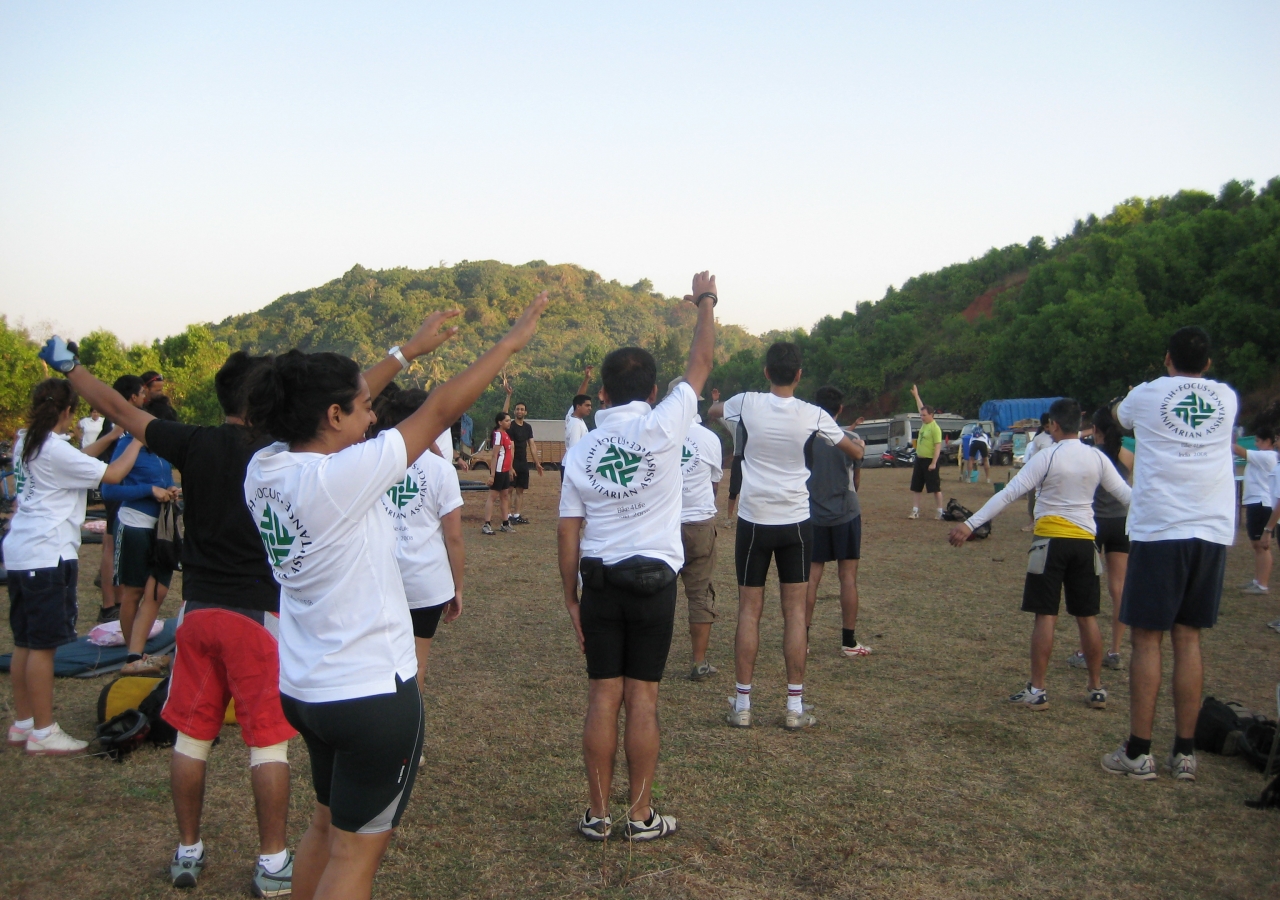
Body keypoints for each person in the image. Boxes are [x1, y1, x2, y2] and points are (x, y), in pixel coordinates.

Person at [244, 297, 546, 900]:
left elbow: (336, 408)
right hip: (369, 696)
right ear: (333, 415)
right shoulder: (340, 480)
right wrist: (510, 344)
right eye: (360, 408)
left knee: (326, 825)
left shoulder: (267, 467)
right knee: (355, 857)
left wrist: (404, 353)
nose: (371, 416)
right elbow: (438, 411)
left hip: (306, 689)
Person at [58, 347, 297, 895]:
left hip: (197, 614)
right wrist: (403, 357)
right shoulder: (280, 452)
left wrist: (71, 369)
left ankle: (188, 851)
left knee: (192, 738)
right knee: (267, 746)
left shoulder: (192, 441)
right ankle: (273, 861)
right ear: (267, 400)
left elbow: (118, 408)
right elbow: (350, 405)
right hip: (257, 617)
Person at [558, 272, 716, 843]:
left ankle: (598, 816)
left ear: (601, 394)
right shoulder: (666, 425)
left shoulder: (584, 448)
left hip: (599, 581)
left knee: (604, 694)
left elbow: (567, 530)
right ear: (652, 392)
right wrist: (706, 300)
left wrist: (571, 598)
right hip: (655, 583)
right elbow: (701, 359)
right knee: (643, 696)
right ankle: (641, 816)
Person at [1101, 327, 1237, 782]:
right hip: (1212, 527)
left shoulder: (1147, 394)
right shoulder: (1226, 398)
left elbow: (1118, 417)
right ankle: (1185, 752)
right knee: (1188, 638)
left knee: (1146, 638)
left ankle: (1139, 751)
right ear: (1209, 364)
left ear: (1167, 358)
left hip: (1162, 528)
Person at [709, 343, 864, 731]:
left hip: (754, 520)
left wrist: (726, 410)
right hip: (796, 521)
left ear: (766, 372)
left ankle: (743, 703)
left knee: (749, 610)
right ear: (799, 375)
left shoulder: (746, 402)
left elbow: (713, 410)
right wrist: (851, 439)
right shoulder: (813, 414)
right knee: (794, 612)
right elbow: (854, 451)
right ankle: (794, 707)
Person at [949, 398, 1130, 713]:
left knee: (1046, 615)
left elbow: (1009, 493)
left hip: (1049, 542)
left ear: (1054, 426)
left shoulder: (1048, 456)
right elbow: (1128, 497)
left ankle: (1038, 689)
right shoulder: (1097, 458)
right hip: (1085, 543)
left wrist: (970, 524)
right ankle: (1096, 687)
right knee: (1087, 617)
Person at [4, 377, 139, 756]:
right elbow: (112, 475)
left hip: (22, 552)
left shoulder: (27, 440)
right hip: (46, 554)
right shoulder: (51, 449)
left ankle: (24, 723)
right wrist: (139, 441)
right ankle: (44, 732)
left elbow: (80, 460)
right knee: (43, 648)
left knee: (25, 642)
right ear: (68, 412)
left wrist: (112, 438)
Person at [373, 387, 465, 698]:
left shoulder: (371, 460)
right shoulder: (441, 470)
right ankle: (411, 741)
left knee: (379, 664)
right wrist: (458, 587)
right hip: (426, 583)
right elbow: (453, 536)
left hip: (379, 578)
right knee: (416, 664)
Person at [100, 399, 180, 677]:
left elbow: (162, 481)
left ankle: (139, 652)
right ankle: (133, 655)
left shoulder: (161, 451)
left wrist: (170, 489)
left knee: (157, 592)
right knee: (133, 591)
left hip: (161, 529)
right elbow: (108, 492)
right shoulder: (128, 444)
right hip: (134, 524)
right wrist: (150, 490)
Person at [1067, 407, 1134, 672]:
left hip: (1094, 524)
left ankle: (1086, 650)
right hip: (1122, 523)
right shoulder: (1127, 455)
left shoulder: (1092, 456)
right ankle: (1115, 650)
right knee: (1118, 589)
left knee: (1087, 589)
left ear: (1095, 430)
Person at [805, 386, 869, 658]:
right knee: (848, 578)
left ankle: (802, 638)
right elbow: (856, 478)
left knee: (810, 579)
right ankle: (849, 642)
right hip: (846, 514)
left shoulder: (806, 440)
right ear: (840, 409)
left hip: (814, 514)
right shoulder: (851, 438)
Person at [669, 376, 723, 681]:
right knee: (700, 593)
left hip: (662, 523)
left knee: (658, 593)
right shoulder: (708, 439)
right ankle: (699, 662)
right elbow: (713, 485)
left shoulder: (656, 434)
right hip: (699, 523)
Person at [95, 375, 148, 623]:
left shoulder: (118, 421)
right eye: (141, 393)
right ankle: (110, 604)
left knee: (112, 545)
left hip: (118, 486)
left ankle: (113, 601)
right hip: (116, 489)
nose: (144, 397)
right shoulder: (120, 423)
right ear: (131, 397)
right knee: (111, 545)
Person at [1233, 424, 1276, 595]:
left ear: (1267, 441)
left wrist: (1230, 436)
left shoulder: (1268, 456)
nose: (1256, 444)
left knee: (1262, 546)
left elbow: (1237, 450)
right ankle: (1257, 581)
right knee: (1256, 545)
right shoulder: (1262, 456)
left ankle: (1262, 584)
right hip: (1255, 503)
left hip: (1261, 503)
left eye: (1258, 441)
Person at [906, 385, 943, 520]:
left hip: (930, 460)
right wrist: (916, 395)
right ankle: (915, 510)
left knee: (935, 488)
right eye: (921, 415)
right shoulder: (924, 424)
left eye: (924, 415)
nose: (922, 417)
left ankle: (939, 511)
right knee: (916, 487)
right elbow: (921, 407)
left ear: (931, 415)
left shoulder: (935, 428)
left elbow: (938, 446)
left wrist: (933, 462)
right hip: (919, 459)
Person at [506, 393, 543, 525]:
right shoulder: (510, 426)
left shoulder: (528, 427)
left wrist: (537, 463)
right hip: (511, 461)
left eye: (522, 409)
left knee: (520, 490)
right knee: (509, 489)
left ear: (525, 412)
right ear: (514, 411)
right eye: (517, 409)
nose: (519, 411)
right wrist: (510, 467)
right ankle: (508, 515)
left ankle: (517, 515)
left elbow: (532, 445)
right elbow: (511, 447)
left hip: (523, 462)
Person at [482, 411, 515, 535]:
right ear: (499, 422)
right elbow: (495, 455)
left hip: (505, 470)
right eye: (506, 420)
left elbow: (508, 455)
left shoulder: (506, 434)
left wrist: (510, 469)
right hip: (499, 470)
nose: (509, 422)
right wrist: (492, 475)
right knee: (492, 497)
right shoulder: (498, 435)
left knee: (505, 496)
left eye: (509, 420)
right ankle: (487, 524)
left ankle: (505, 523)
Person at [1021, 414, 1054, 532]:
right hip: (1040, 474)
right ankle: (1032, 521)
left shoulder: (1061, 438)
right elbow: (1034, 458)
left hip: (1055, 475)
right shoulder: (1039, 439)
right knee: (1033, 497)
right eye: (1046, 426)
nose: (1048, 429)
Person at [563, 367, 593, 477]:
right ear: (578, 407)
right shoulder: (576, 424)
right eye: (587, 405)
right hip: (573, 466)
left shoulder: (572, 416)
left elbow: (579, 397)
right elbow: (574, 450)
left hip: (569, 465)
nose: (590, 408)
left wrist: (586, 379)